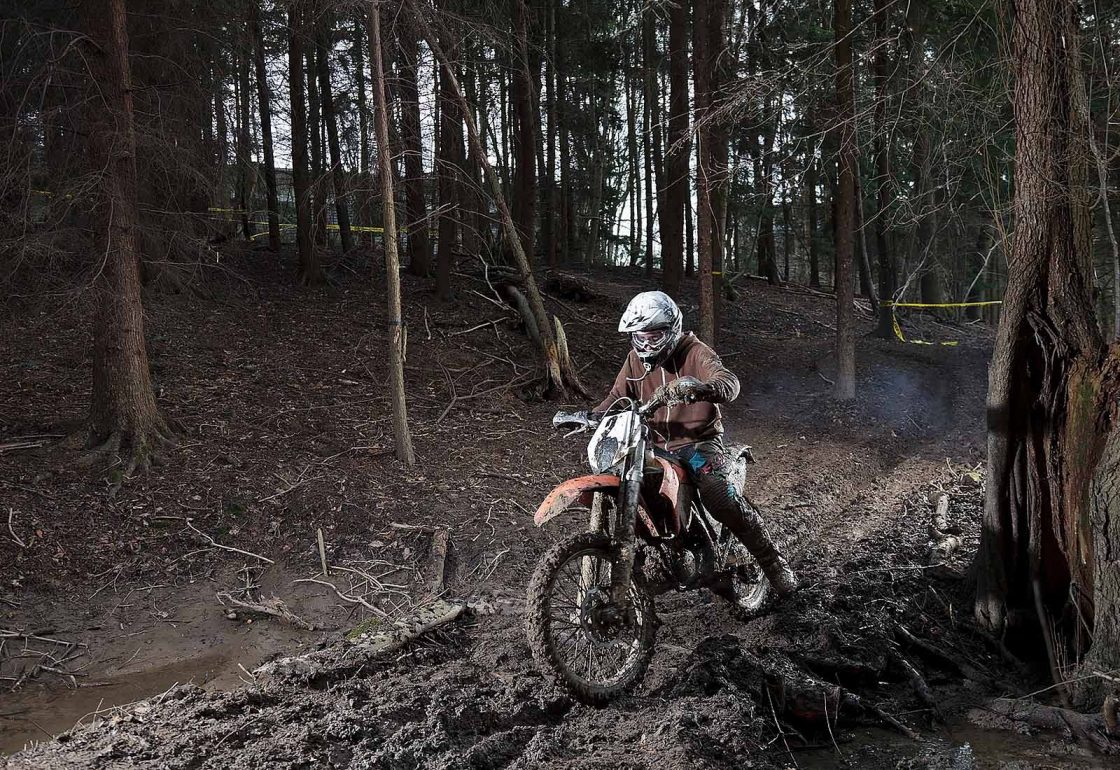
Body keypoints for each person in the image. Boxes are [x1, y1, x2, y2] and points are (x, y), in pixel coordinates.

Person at [593, 290, 799, 597]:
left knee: (718, 495)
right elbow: (616, 398)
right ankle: (657, 557)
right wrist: (589, 416)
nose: (647, 345)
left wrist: (701, 387)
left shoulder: (694, 351)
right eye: (641, 338)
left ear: (672, 330)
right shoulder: (635, 359)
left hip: (699, 443)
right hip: (653, 446)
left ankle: (774, 563)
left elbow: (729, 383)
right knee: (627, 487)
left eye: (654, 337)